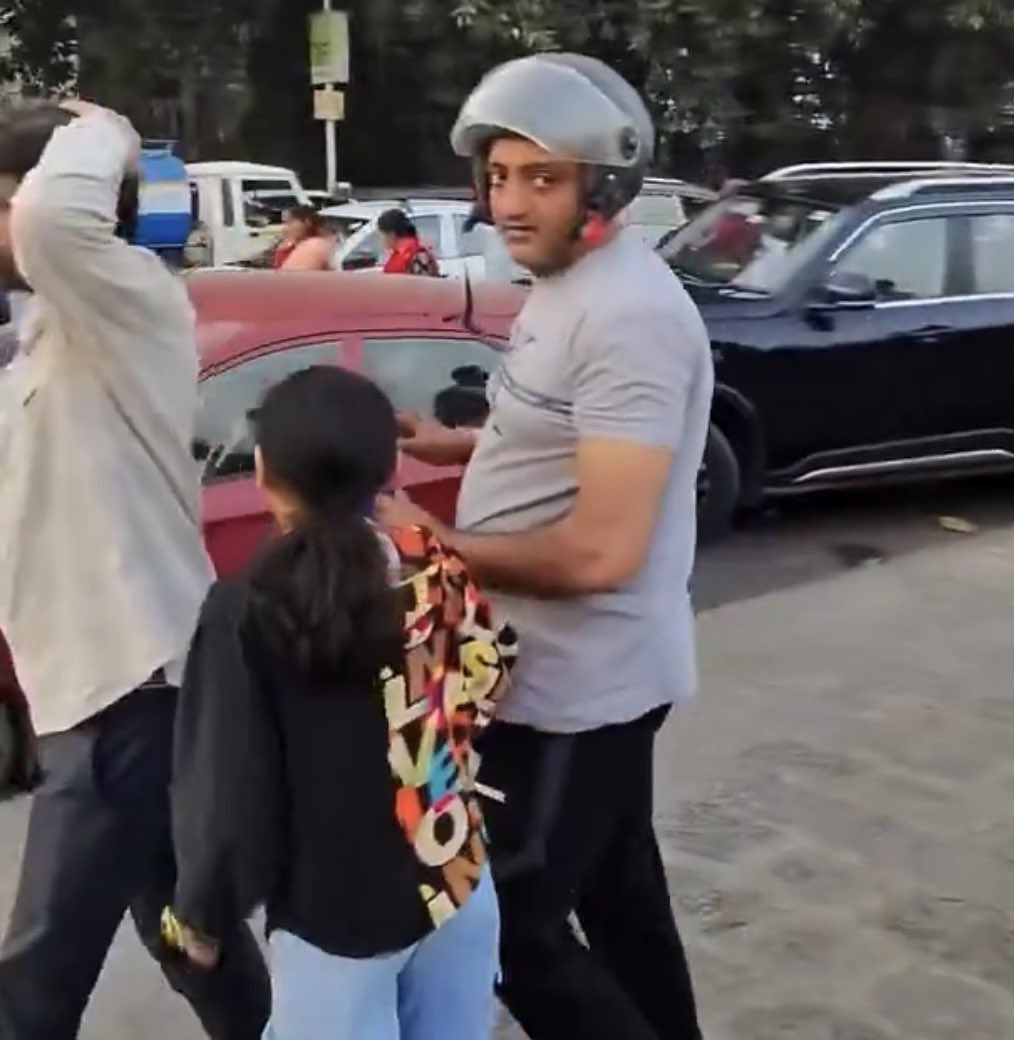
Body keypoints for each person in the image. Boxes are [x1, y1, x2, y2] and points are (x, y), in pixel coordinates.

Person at [380, 53, 712, 1040]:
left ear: (602, 188)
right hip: (547, 670)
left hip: (584, 683)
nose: (510, 200)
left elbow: (602, 550)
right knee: (619, 900)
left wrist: (437, 543)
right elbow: (587, 440)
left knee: (508, 920)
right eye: (500, 173)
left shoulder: (629, 316)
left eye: (543, 177)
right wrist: (466, 444)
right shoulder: (567, 283)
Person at [0, 101, 270, 1039]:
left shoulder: (130, 303)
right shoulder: (52, 330)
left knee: (34, 978)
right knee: (192, 937)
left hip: (125, 696)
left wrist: (106, 126)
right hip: (101, 689)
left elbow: (48, 222)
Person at [162, 365, 515, 1040]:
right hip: (456, 879)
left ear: (263, 470)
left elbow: (229, 788)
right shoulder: (431, 561)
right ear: (386, 469)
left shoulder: (249, 607)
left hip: (338, 917)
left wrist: (201, 914)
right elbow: (492, 671)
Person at [378, 208, 441, 276]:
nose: (381, 239)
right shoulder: (422, 249)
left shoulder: (402, 256)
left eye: (382, 234)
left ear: (391, 234)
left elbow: (392, 280)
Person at [272, 204, 333, 271]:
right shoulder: (284, 247)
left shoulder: (314, 246)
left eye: (289, 223)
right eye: (284, 223)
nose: (285, 228)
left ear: (307, 222)